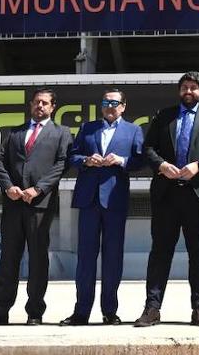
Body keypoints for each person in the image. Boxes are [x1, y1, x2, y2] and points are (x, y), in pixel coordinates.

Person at [134, 71, 199, 328]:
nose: (188, 92)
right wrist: (162, 165)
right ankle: (152, 309)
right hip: (167, 194)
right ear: (179, 91)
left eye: (193, 88)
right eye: (184, 87)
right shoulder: (164, 116)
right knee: (160, 252)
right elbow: (148, 149)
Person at [0, 87, 71, 326]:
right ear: (31, 105)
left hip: (40, 204)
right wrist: (9, 187)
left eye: (45, 103)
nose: (40, 106)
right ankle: (0, 312)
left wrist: (38, 189)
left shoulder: (62, 133)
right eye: (36, 102)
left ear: (53, 107)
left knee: (38, 259)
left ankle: (35, 312)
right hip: (13, 203)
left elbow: (61, 164)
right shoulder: (14, 132)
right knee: (8, 258)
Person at [60, 87, 144, 327]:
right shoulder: (88, 128)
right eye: (105, 101)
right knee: (85, 258)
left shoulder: (133, 130)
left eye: (114, 102)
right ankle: (81, 312)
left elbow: (141, 160)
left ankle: (110, 311)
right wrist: (86, 160)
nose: (109, 106)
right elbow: (72, 157)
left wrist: (122, 161)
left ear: (123, 106)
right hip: (89, 200)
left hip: (115, 200)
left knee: (112, 258)